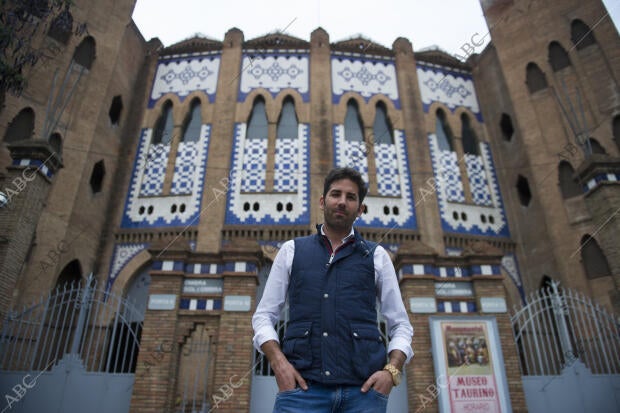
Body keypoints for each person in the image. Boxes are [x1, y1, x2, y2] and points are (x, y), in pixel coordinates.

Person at [252, 167, 414, 413]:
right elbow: (264, 316)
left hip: (364, 395)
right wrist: (278, 362)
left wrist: (391, 372)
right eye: (335, 194)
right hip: (302, 393)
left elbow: (400, 324)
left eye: (351, 197)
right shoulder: (292, 251)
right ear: (322, 201)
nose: (342, 202)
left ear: (360, 209)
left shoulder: (376, 256)